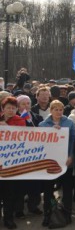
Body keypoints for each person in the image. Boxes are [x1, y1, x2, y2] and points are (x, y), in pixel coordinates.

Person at [0, 97, 26, 229]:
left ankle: (8, 218)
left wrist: (7, 128)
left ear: (16, 109)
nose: (10, 110)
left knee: (9, 193)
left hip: (12, 164)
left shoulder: (20, 121)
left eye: (13, 108)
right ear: (3, 109)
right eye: (8, 108)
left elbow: (22, 138)